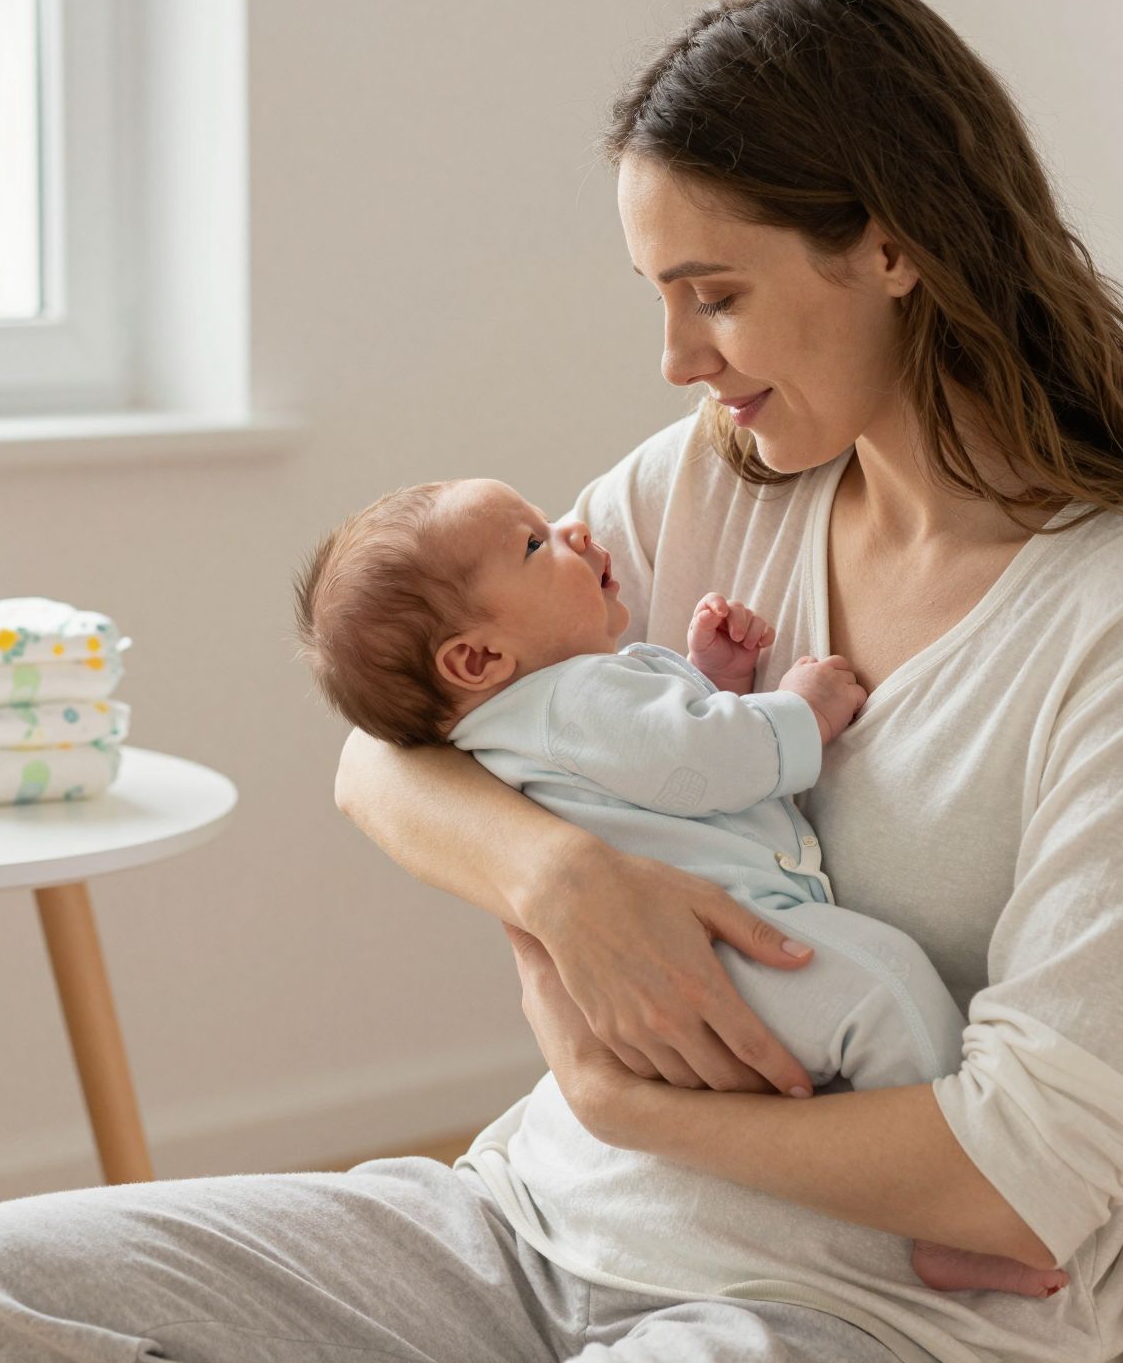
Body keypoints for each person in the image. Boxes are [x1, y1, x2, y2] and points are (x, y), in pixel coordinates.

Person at [0, 0, 1123, 1363]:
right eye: (663, 296)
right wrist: (565, 886)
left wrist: (622, 1099)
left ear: (893, 246)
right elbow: (387, 753)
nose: (681, 359)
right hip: (531, 1229)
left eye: (717, 294)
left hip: (866, 1315)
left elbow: (1029, 1177)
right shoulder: (717, 479)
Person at [290, 474, 1074, 1301]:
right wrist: (802, 708)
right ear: (478, 658)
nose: (577, 530)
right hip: (725, 950)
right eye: (534, 543)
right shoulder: (573, 698)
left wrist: (710, 681)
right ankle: (949, 1219)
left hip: (684, 969)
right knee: (887, 986)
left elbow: (653, 772)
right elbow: (704, 763)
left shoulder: (531, 720)